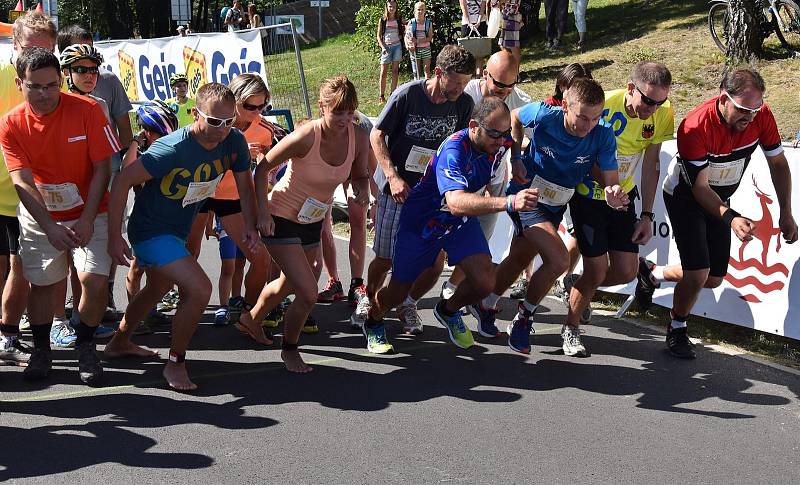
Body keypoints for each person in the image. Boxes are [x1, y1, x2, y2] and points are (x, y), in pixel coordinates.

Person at [106, 82, 260, 391]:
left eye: (229, 121)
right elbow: (123, 181)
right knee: (200, 289)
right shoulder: (171, 148)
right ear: (195, 114)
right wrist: (113, 237)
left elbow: (245, 185)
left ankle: (119, 341)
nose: (222, 128)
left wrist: (252, 225)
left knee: (157, 288)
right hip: (150, 231)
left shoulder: (234, 142)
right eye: (214, 121)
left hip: (176, 230)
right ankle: (175, 362)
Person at [637, 68, 798, 359]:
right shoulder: (695, 126)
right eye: (743, 109)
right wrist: (731, 217)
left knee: (713, 278)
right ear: (724, 99)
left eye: (755, 109)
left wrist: (785, 212)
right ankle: (677, 327)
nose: (750, 116)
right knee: (698, 272)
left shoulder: (761, 115)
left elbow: (778, 164)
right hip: (685, 197)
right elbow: (700, 189)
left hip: (720, 199)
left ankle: (653, 273)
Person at [365, 97, 539, 351]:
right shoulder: (454, 150)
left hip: (457, 222)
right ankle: (373, 320)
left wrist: (515, 159)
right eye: (494, 134)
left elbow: (513, 126)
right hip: (424, 222)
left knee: (485, 281)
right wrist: (509, 202)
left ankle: (447, 310)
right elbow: (456, 201)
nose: (501, 141)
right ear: (473, 126)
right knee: (398, 291)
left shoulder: (499, 138)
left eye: (503, 135)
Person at [471, 78, 627, 355]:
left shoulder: (602, 134)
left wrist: (612, 191)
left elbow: (610, 179)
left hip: (556, 203)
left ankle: (486, 303)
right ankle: (524, 318)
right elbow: (516, 118)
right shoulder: (545, 115)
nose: (587, 126)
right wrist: (516, 157)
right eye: (582, 117)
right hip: (526, 196)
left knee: (520, 256)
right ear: (565, 106)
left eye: (595, 118)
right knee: (559, 260)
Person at [0, 47, 121, 384]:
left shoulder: (89, 110)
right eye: (35, 86)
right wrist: (49, 225)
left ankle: (85, 347)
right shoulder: (10, 123)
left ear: (62, 81)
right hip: (41, 215)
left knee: (93, 281)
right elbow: (21, 180)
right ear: (19, 83)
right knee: (43, 285)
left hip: (92, 211)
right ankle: (42, 351)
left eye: (52, 85)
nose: (44, 94)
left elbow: (103, 169)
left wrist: (85, 219)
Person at [236, 76, 371, 373]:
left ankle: (251, 319)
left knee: (287, 283)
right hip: (281, 217)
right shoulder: (306, 136)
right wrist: (262, 214)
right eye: (338, 113)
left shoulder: (357, 136)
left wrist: (360, 188)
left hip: (311, 219)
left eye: (350, 113)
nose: (344, 120)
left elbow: (359, 175)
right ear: (322, 106)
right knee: (308, 292)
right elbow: (262, 169)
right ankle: (290, 349)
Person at [355, 45, 475, 350]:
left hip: (432, 194)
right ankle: (369, 299)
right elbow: (376, 135)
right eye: (456, 83)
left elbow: (461, 146)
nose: (461, 90)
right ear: (438, 73)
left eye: (465, 83)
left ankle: (407, 303)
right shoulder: (407, 95)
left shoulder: (463, 104)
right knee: (385, 258)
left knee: (434, 263)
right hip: (397, 190)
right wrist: (393, 176)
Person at [562, 61, 674, 357]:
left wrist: (647, 215)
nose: (654, 107)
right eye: (648, 100)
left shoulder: (663, 112)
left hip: (622, 197)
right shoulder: (604, 104)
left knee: (625, 271)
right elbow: (583, 153)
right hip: (589, 195)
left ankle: (576, 285)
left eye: (661, 101)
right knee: (597, 270)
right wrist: (608, 186)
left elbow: (651, 164)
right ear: (630, 89)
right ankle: (571, 328)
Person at [56, 24, 134, 330]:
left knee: (91, 261)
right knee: (56, 265)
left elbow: (110, 150)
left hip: (97, 189)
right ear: (66, 72)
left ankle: (85, 316)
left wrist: (129, 160)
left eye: (94, 69)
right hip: (61, 193)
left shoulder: (101, 102)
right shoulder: (52, 100)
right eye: (82, 69)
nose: (91, 75)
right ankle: (58, 320)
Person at [442, 49, 531, 307]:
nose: (504, 91)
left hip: (492, 177)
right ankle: (411, 297)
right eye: (498, 85)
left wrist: (516, 158)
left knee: (480, 241)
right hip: (456, 175)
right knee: (438, 243)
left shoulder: (518, 100)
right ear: (485, 74)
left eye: (510, 86)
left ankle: (452, 287)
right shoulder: (466, 94)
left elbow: (522, 130)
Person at [192, 73, 272, 335]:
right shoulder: (214, 121)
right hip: (200, 193)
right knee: (188, 256)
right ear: (234, 100)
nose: (255, 112)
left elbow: (271, 168)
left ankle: (248, 312)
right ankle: (186, 312)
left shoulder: (265, 129)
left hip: (233, 198)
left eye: (262, 106)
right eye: (250, 106)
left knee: (260, 259)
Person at [0, 11, 56, 365]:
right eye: (30, 50)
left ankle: (9, 334)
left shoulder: (53, 81)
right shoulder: (5, 78)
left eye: (46, 50)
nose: (38, 58)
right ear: (15, 46)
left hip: (35, 193)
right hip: (1, 192)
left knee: (23, 268)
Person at [510, 62, 593, 301]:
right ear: (562, 86)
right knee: (528, 240)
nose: (578, 90)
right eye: (573, 86)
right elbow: (519, 126)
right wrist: (520, 154)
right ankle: (526, 279)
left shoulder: (590, 112)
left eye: (584, 85)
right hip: (541, 184)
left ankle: (563, 278)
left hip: (572, 185)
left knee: (574, 232)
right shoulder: (546, 109)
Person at [120, 101, 180, 336]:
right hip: (144, 219)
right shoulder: (140, 152)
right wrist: (135, 142)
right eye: (157, 133)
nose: (163, 138)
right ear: (146, 132)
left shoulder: (172, 148)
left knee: (160, 273)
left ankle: (149, 309)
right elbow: (126, 172)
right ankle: (133, 313)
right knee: (137, 268)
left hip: (167, 219)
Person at [317, 112, 376, 308]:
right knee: (323, 225)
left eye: (349, 115)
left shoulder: (363, 130)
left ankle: (356, 283)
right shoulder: (319, 130)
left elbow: (373, 169)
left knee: (358, 219)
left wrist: (376, 203)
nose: (345, 121)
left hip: (355, 172)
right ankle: (334, 280)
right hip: (326, 170)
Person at [377, 0, 404, 104]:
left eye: (393, 6)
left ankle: (392, 94)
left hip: (397, 46)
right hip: (386, 47)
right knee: (383, 72)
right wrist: (383, 47)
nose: (392, 8)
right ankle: (381, 96)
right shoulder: (383, 20)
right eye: (390, 7)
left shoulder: (398, 19)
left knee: (395, 71)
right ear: (387, 7)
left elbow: (406, 26)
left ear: (396, 7)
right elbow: (379, 36)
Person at [459, 0, 487, 73]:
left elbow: (482, 7)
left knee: (480, 50)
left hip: (481, 22)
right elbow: (463, 8)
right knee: (464, 50)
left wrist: (478, 22)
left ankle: (479, 75)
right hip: (466, 23)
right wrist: (469, 23)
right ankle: (467, 73)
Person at [407, 2, 433, 80]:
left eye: (422, 9)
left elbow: (430, 38)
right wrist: (408, 46)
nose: (420, 12)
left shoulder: (428, 23)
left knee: (427, 69)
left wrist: (418, 40)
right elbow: (407, 36)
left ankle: (427, 87)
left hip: (426, 48)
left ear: (425, 11)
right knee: (417, 70)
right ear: (414, 11)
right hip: (416, 49)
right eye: (418, 10)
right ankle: (417, 87)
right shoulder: (411, 22)